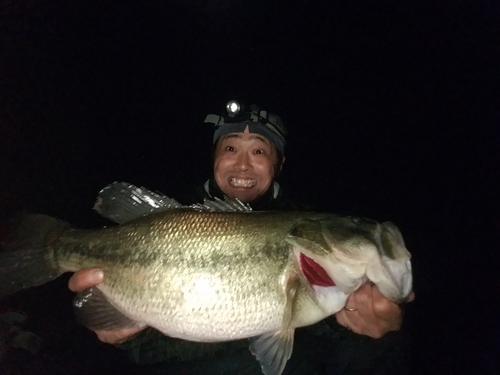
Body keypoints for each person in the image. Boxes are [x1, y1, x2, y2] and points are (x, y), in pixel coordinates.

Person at [68, 100, 414, 374]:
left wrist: (362, 328)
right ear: (215, 157)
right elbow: (147, 352)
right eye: (231, 148)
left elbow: (334, 351)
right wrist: (121, 333)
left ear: (278, 163)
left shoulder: (301, 221)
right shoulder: (174, 217)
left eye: (259, 151)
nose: (243, 165)